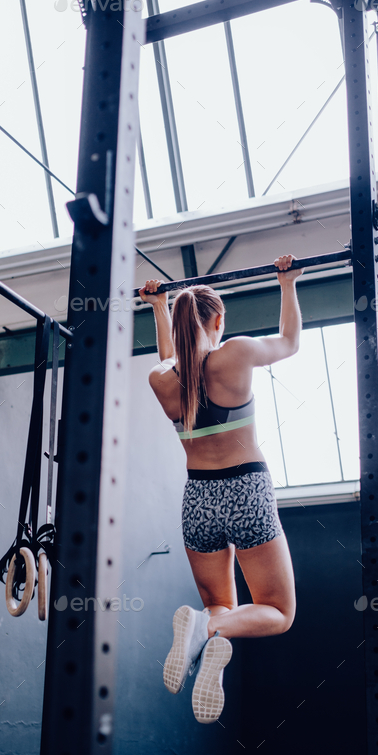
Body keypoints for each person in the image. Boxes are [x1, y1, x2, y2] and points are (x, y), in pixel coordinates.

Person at [139, 254, 302, 724]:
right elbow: (290, 342)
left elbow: (169, 358)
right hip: (245, 490)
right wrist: (286, 282)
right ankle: (208, 629)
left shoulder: (161, 380)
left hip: (198, 501)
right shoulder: (237, 353)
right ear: (218, 319)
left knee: (218, 603)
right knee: (278, 610)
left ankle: (206, 627)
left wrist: (158, 306)